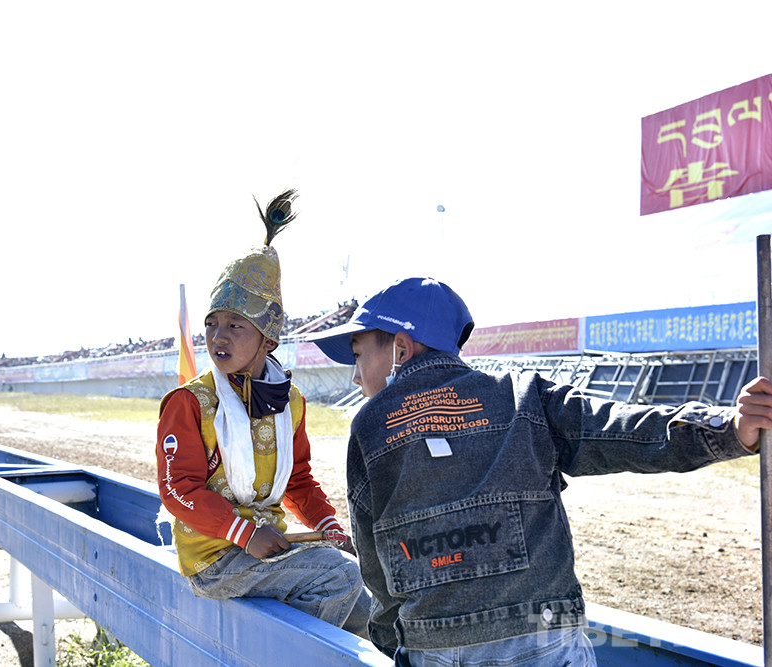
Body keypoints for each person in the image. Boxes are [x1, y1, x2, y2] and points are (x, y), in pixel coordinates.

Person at [308, 277, 772, 666]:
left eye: (358, 355)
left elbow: (375, 564)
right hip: (541, 628)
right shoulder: (523, 395)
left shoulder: (369, 426)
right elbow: (621, 429)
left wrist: (401, 638)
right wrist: (729, 428)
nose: (356, 376)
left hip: (435, 643)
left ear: (401, 348)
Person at [155, 190, 370, 637]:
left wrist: (327, 524)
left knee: (368, 607)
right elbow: (177, 490)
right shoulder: (189, 402)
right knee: (339, 578)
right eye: (212, 323)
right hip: (215, 559)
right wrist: (244, 533)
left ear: (268, 340)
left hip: (268, 547)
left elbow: (298, 481)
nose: (218, 336)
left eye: (235, 325)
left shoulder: (291, 402)